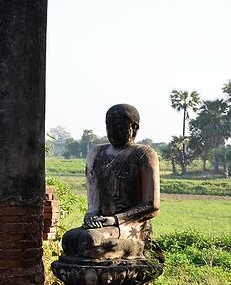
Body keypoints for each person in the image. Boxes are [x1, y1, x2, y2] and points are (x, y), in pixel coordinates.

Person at [61, 104, 160, 260]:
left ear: (134, 128)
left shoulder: (144, 154)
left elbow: (152, 206)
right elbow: (94, 202)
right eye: (109, 126)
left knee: (91, 240)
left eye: (119, 126)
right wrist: (91, 216)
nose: (113, 131)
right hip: (102, 224)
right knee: (69, 239)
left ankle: (137, 247)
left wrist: (115, 219)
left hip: (129, 226)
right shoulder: (96, 153)